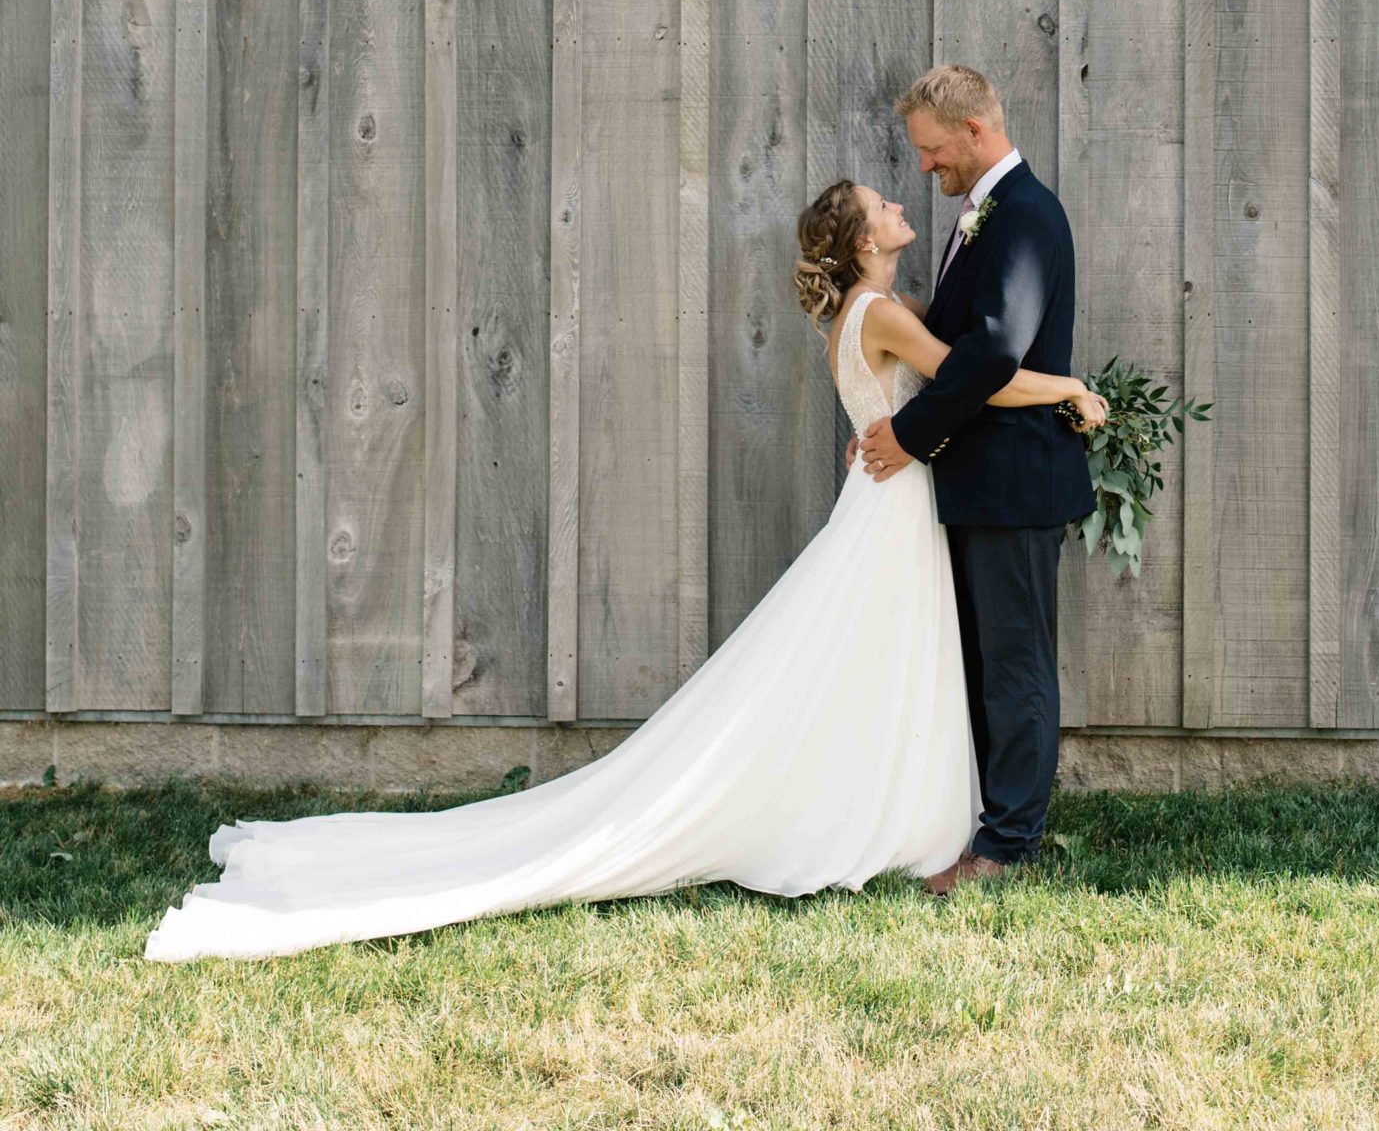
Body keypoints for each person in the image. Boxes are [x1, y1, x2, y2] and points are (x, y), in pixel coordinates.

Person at [143, 104, 1104, 961]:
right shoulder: (885, 311)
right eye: (883, 203)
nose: (908, 197)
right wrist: (1069, 387)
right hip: (896, 507)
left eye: (919, 170)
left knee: (871, 666)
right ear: (860, 242)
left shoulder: (861, 313)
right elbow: (972, 373)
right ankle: (889, 815)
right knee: (879, 663)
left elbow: (956, 361)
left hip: (888, 502)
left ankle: (902, 807)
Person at [854, 64, 1096, 892]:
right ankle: (984, 823)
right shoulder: (982, 214)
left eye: (930, 150)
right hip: (981, 482)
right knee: (988, 664)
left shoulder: (1023, 215)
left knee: (1016, 664)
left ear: (974, 132)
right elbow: (960, 335)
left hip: (1015, 483)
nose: (924, 166)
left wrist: (909, 434)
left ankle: (1007, 847)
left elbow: (994, 350)